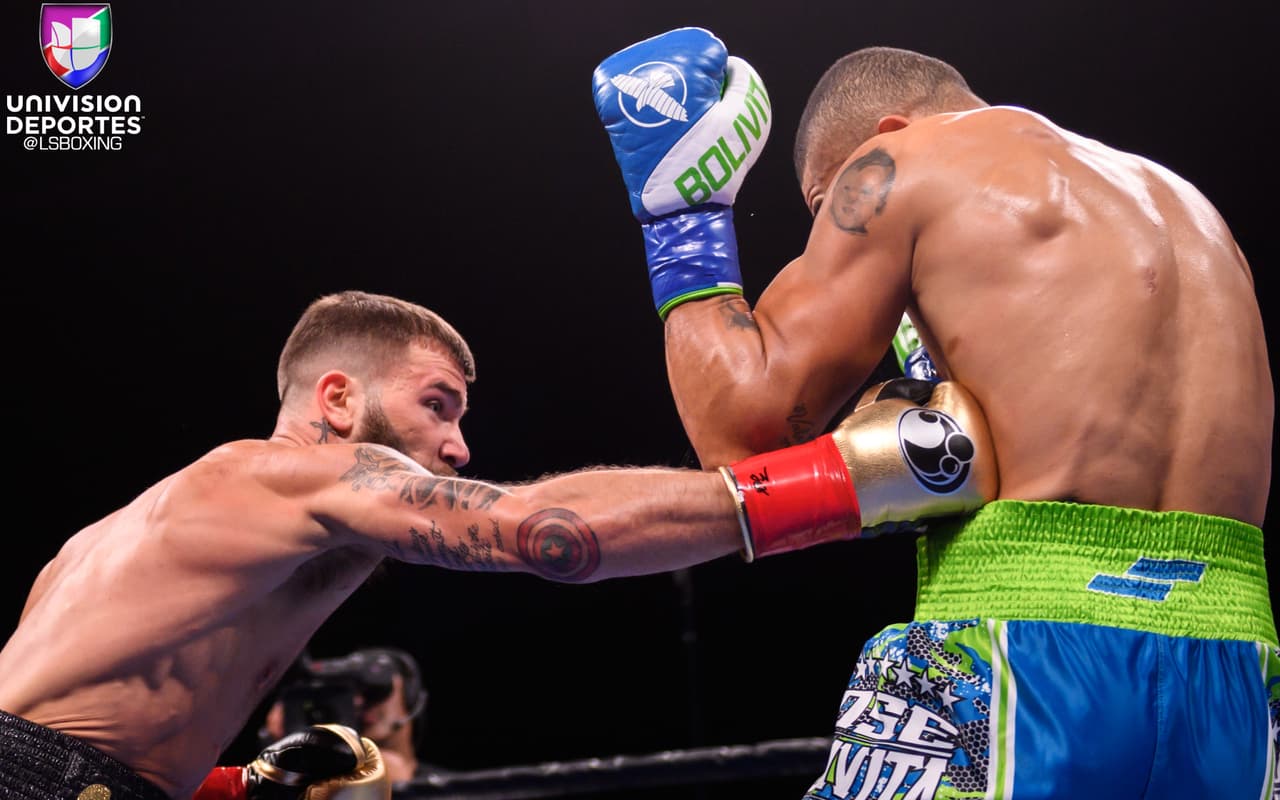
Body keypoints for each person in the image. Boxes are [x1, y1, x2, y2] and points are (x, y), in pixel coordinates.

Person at [592, 27, 1275, 800]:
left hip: (1030, 651)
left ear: (886, 133)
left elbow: (739, 433)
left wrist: (681, 217)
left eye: (826, 203)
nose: (832, 231)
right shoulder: (1189, 207)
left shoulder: (905, 162)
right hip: (1235, 672)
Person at [0, 289, 993, 800]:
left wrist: (235, 782)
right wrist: (845, 479)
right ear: (336, 399)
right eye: (436, 404)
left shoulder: (109, 540)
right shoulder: (284, 474)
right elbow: (543, 531)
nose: (457, 445)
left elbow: (64, 720)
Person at [259, 647, 433, 784]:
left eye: (375, 691)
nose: (359, 702)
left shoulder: (445, 788)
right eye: (350, 693)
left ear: (410, 698)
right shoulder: (318, 781)